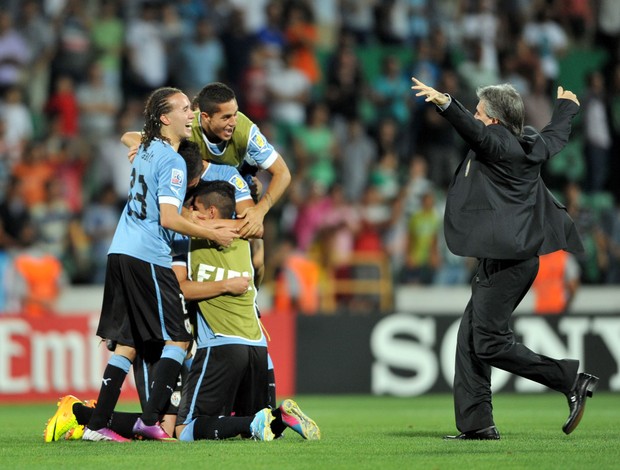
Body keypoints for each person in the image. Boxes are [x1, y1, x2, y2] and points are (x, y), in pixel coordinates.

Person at [411, 76, 599, 440]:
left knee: (488, 343)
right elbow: (556, 134)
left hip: (508, 262)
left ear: (494, 121)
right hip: (510, 257)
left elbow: (476, 133)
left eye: (480, 112)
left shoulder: (496, 142)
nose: (476, 117)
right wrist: (567, 107)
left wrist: (446, 104)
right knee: (469, 340)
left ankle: (570, 378)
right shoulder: (530, 142)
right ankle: (477, 425)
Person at [79, 86, 239, 443]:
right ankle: (150, 419)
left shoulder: (149, 147)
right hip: (147, 255)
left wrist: (134, 143)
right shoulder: (173, 162)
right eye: (184, 108)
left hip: (119, 250)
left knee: (129, 343)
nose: (191, 113)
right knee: (179, 339)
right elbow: (169, 218)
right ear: (166, 118)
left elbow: (128, 135)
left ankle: (97, 425)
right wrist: (211, 234)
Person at [172, 180, 320, 442]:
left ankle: (259, 419)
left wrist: (224, 285)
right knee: (255, 430)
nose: (190, 212)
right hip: (256, 346)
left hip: (220, 344)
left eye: (195, 207)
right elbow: (259, 257)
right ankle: (281, 416)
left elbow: (182, 289)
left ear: (211, 212)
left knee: (185, 430)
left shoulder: (189, 239)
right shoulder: (246, 239)